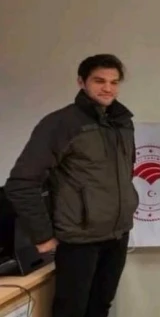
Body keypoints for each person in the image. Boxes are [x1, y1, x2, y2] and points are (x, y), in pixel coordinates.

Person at [4, 54, 138, 317]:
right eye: (99, 81)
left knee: (101, 307)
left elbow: (124, 175)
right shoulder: (61, 123)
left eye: (114, 82)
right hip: (79, 240)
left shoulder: (122, 124)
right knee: (71, 311)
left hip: (117, 235)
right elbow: (21, 183)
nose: (108, 88)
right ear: (81, 82)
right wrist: (42, 236)